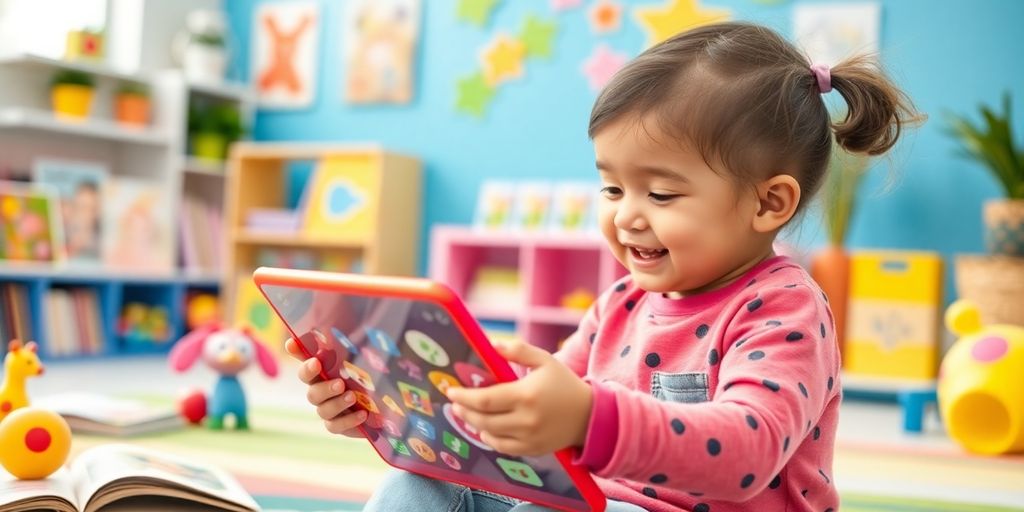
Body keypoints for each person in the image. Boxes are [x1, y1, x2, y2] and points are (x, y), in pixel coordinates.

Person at [286, 21, 919, 512]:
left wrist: (589, 418)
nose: (627, 216)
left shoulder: (785, 311)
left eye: (661, 194)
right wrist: (395, 409)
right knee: (419, 484)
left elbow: (747, 452)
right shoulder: (621, 302)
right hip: (601, 500)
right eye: (612, 189)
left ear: (767, 202)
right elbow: (535, 421)